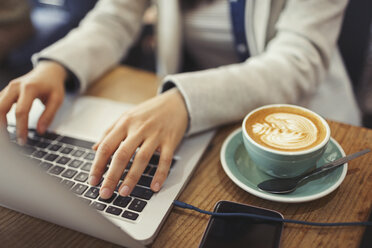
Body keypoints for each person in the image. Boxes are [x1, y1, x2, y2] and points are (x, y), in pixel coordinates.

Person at [0, 0, 361, 200]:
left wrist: (184, 101)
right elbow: (115, 16)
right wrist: (56, 65)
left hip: (310, 127)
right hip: (210, 122)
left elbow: (297, 61)